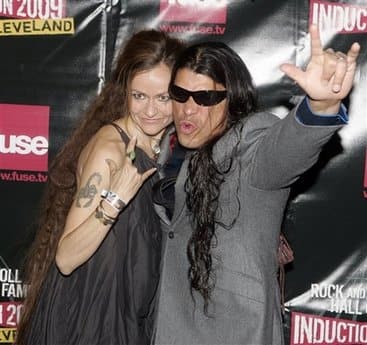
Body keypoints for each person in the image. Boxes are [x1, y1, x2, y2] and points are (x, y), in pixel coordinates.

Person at [152, 25, 360, 345]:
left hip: (233, 332)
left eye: (205, 97)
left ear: (232, 98)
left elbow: (286, 150)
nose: (187, 109)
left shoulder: (250, 141)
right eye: (179, 95)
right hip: (170, 325)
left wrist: (320, 108)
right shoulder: (171, 147)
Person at [15, 29, 184, 345]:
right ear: (124, 93)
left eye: (163, 98)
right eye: (139, 96)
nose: (151, 111)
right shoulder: (111, 151)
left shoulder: (161, 145)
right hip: (89, 319)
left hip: (126, 311)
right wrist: (114, 199)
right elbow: (65, 257)